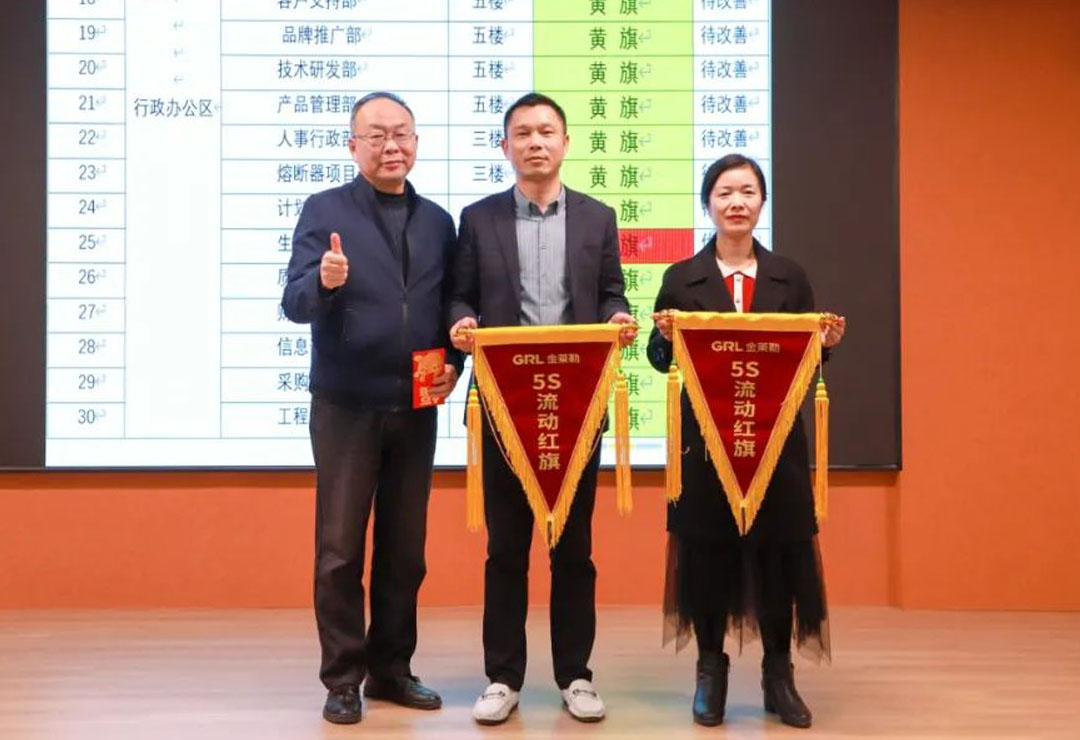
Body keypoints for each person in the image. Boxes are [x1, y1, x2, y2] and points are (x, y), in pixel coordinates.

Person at [448, 92, 637, 725]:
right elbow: (459, 296)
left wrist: (617, 316)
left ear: (565, 142)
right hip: (505, 408)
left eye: (547, 131)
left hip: (576, 408)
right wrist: (461, 322)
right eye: (523, 132)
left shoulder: (596, 217)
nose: (535, 142)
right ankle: (502, 677)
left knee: (573, 549)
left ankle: (575, 675)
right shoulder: (477, 219)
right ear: (505, 146)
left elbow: (610, 291)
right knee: (506, 548)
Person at [647, 154, 846, 729]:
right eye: (724, 192)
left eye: (748, 192)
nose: (736, 202)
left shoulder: (790, 276)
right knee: (708, 556)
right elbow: (660, 360)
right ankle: (710, 673)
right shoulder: (681, 278)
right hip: (705, 447)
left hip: (775, 443)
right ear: (707, 203)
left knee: (780, 555)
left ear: (762, 202)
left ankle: (778, 676)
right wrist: (665, 336)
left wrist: (825, 343)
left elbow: (804, 363)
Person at [281, 91, 461, 725]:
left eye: (402, 133)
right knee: (339, 550)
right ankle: (342, 678)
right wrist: (323, 281)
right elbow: (293, 303)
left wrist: (454, 365)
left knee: (405, 550)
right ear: (353, 145)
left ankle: (391, 669)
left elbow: (451, 307)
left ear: (416, 143)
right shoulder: (325, 209)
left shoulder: (438, 221)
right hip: (346, 405)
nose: (392, 146)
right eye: (377, 135)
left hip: (416, 406)